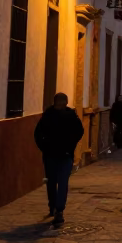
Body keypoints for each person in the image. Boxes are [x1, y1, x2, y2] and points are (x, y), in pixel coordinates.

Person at [33, 92, 84, 227]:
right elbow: (38, 134)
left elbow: (80, 131)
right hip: (50, 155)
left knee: (62, 182)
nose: (62, 105)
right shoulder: (48, 115)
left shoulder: (71, 115)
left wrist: (71, 144)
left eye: (64, 103)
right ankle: (53, 206)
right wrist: (45, 147)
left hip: (65, 155)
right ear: (55, 102)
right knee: (51, 182)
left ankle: (59, 209)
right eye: (61, 103)